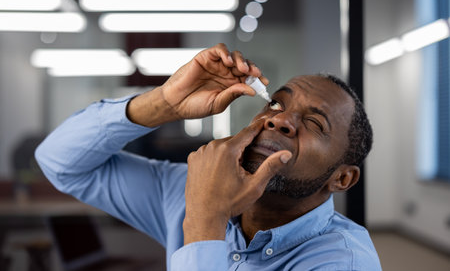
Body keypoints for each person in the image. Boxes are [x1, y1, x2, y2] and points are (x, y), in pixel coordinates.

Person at [35, 43, 382, 270]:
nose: (278, 119)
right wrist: (164, 104)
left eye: (314, 123)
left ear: (342, 178)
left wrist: (206, 219)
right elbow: (60, 162)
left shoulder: (342, 262)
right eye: (275, 103)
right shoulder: (189, 190)